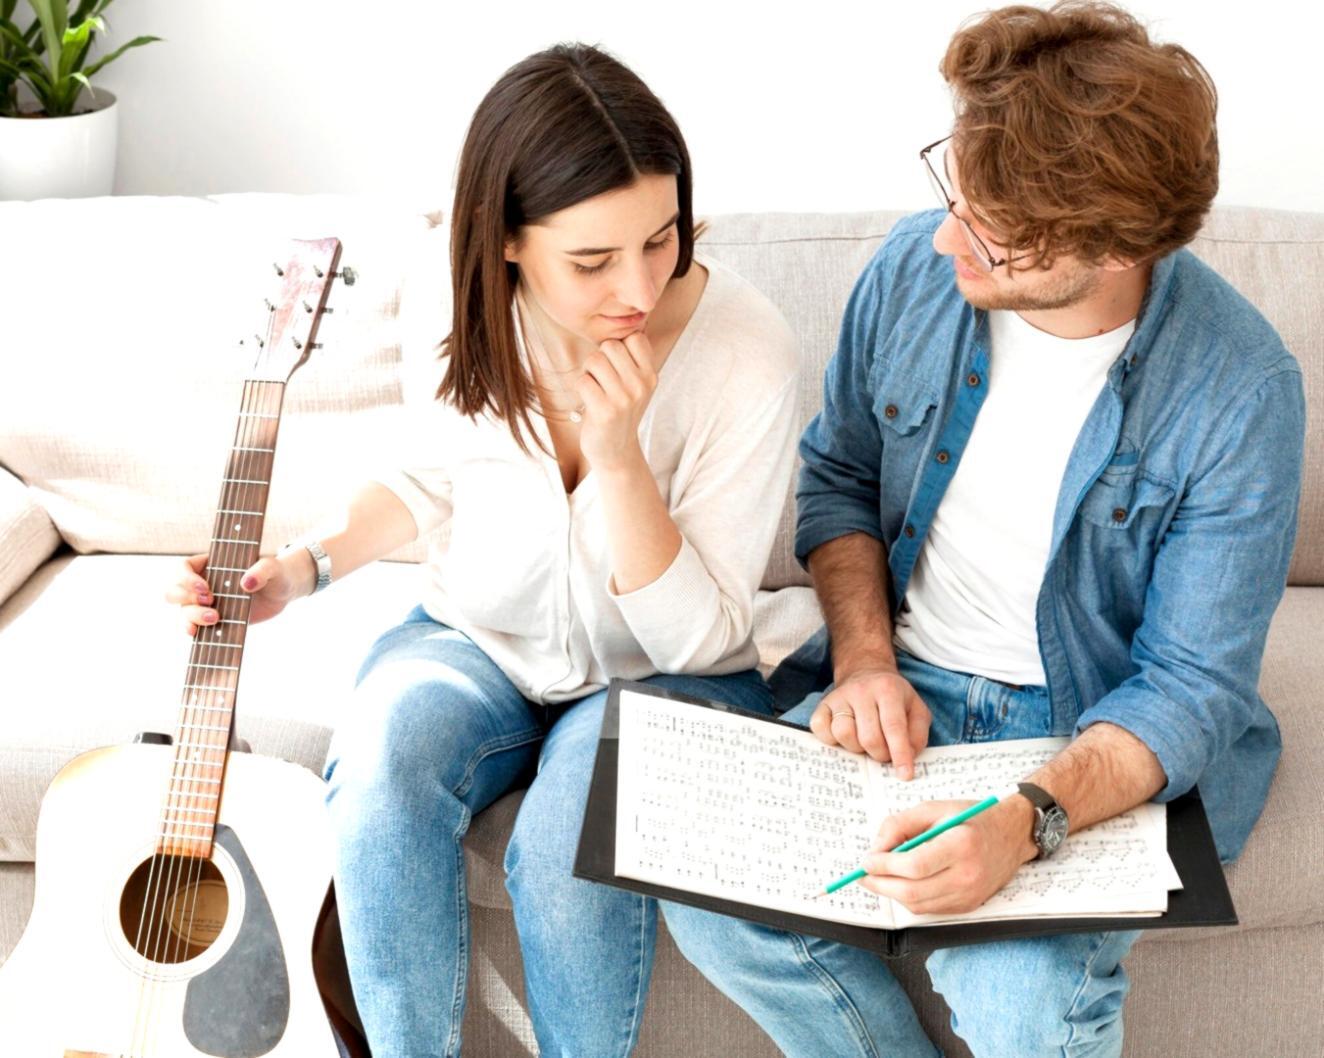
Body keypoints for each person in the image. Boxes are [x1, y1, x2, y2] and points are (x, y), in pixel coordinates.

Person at [660, 3, 1306, 1056]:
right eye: (954, 189)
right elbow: (839, 476)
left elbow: (1190, 686)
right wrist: (865, 661)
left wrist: (1024, 821)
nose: (949, 235)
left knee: (1019, 1006)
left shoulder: (1241, 390)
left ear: (1113, 245)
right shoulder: (916, 269)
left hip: (1082, 727)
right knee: (704, 887)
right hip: (905, 696)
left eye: (994, 229)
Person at [166, 43, 799, 1058]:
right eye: (590, 261)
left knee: (563, 847)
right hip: (478, 639)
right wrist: (301, 567)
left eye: (661, 238)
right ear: (503, 241)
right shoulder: (453, 303)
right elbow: (431, 478)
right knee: (377, 767)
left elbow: (701, 639)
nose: (637, 285)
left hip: (670, 679)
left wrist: (621, 462)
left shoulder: (743, 348)